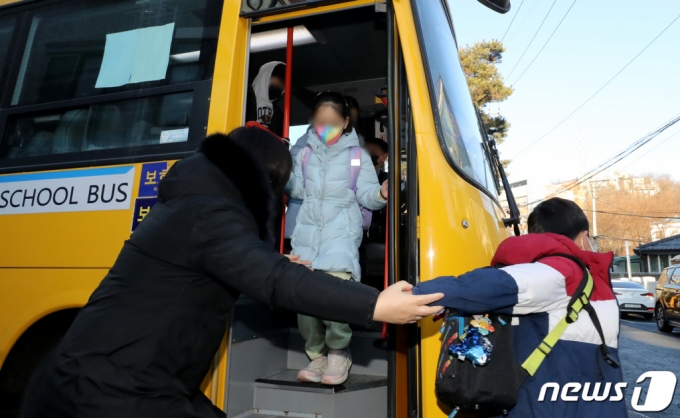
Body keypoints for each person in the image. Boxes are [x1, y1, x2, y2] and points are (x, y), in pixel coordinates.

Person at [23, 125, 443, 418]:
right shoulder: (208, 212)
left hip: (126, 382)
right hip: (104, 393)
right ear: (266, 178)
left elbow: (229, 274)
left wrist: (269, 261)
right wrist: (375, 303)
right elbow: (275, 281)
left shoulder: (196, 204)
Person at [412, 198, 624, 418]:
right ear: (583, 236)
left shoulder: (565, 271)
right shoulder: (564, 271)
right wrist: (412, 295)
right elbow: (492, 285)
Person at [286, 92, 388, 385]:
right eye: (320, 123)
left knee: (335, 298)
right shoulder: (304, 153)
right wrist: (279, 172)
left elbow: (367, 194)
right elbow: (295, 190)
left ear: (345, 122)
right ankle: (316, 357)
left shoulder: (357, 156)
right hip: (307, 237)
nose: (325, 128)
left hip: (340, 235)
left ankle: (338, 353)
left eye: (332, 122)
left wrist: (381, 193)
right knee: (304, 304)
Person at [246, 61, 286, 136]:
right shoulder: (245, 95)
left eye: (283, 83)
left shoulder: (278, 114)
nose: (279, 85)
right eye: (279, 79)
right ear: (266, 75)